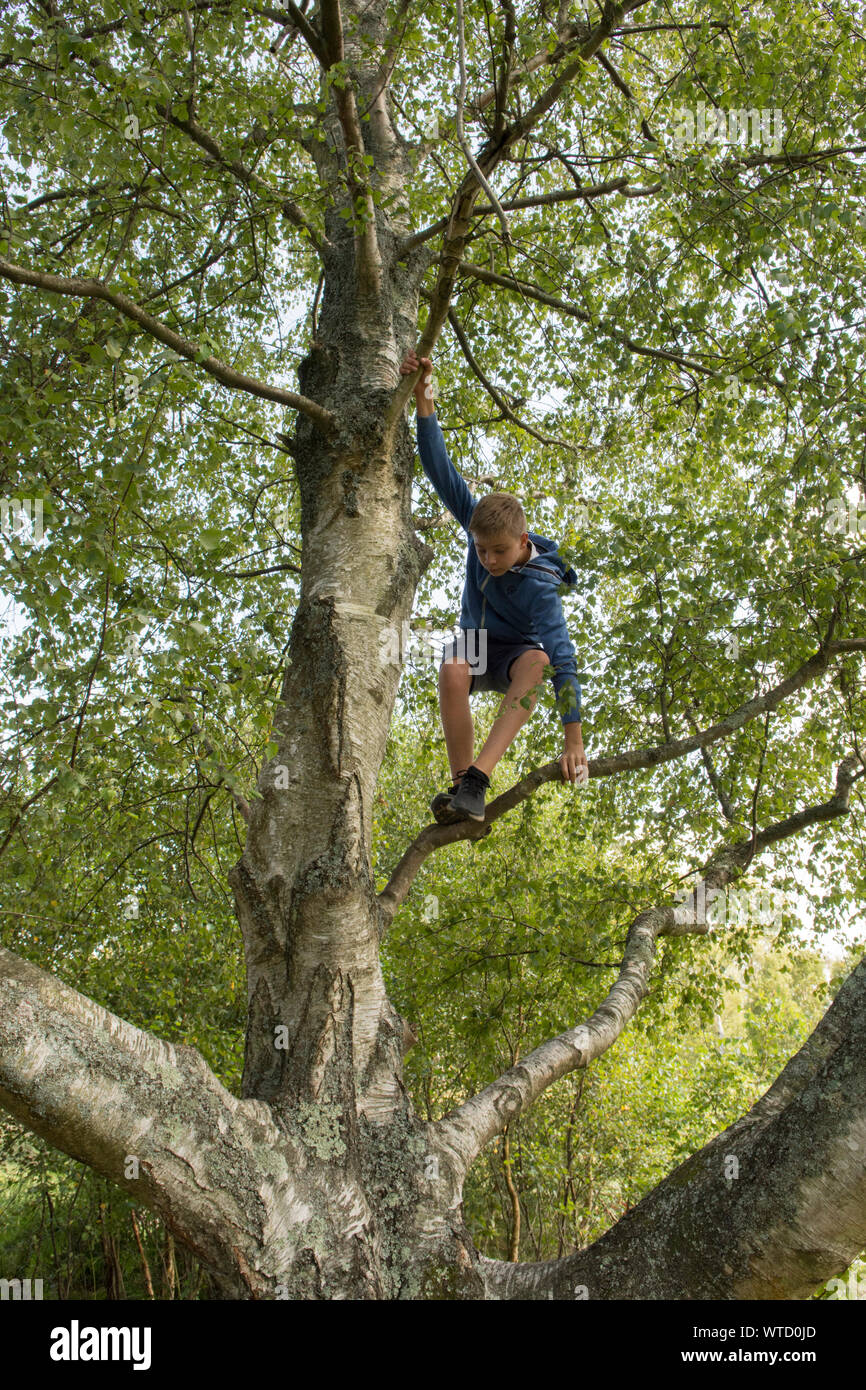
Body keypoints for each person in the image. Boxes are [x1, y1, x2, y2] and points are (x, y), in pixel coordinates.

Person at [400, 348, 589, 824]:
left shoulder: (540, 586)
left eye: (498, 552)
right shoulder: (478, 526)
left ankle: (479, 780)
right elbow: (439, 468)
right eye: (481, 550)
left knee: (542, 662)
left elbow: (564, 657)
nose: (488, 560)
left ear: (522, 541)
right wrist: (425, 397)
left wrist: (574, 740)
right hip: (478, 645)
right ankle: (460, 787)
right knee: (452, 663)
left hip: (514, 656)